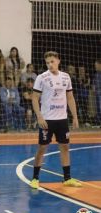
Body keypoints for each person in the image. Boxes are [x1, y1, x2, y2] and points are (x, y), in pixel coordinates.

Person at [30, 51, 81, 189]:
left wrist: (75, 117)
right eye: (47, 62)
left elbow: (70, 98)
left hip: (62, 119)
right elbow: (34, 98)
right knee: (42, 148)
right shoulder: (42, 77)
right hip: (47, 120)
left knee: (64, 147)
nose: (50, 64)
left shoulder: (66, 77)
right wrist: (39, 116)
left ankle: (67, 178)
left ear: (58, 60)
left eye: (52, 61)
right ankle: (35, 178)